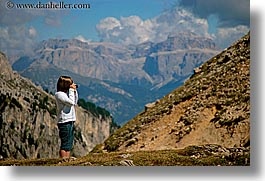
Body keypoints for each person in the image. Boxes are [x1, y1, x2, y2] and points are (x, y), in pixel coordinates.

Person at [55, 75, 78, 159]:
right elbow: (70, 102)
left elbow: (74, 102)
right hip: (64, 121)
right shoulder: (59, 94)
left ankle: (67, 161)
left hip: (70, 120)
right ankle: (63, 161)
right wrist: (71, 90)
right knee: (65, 144)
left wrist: (74, 92)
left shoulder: (65, 94)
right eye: (70, 84)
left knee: (69, 144)